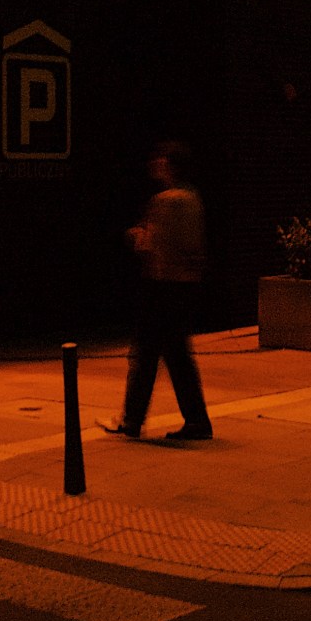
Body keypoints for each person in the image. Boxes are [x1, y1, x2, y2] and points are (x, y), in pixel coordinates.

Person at [103, 140, 213, 442]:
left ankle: (135, 419)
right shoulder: (194, 199)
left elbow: (150, 245)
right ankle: (191, 420)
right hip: (185, 287)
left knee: (146, 355)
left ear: (169, 165)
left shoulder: (164, 202)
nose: (155, 163)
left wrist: (135, 234)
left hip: (160, 287)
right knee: (175, 356)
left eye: (161, 159)